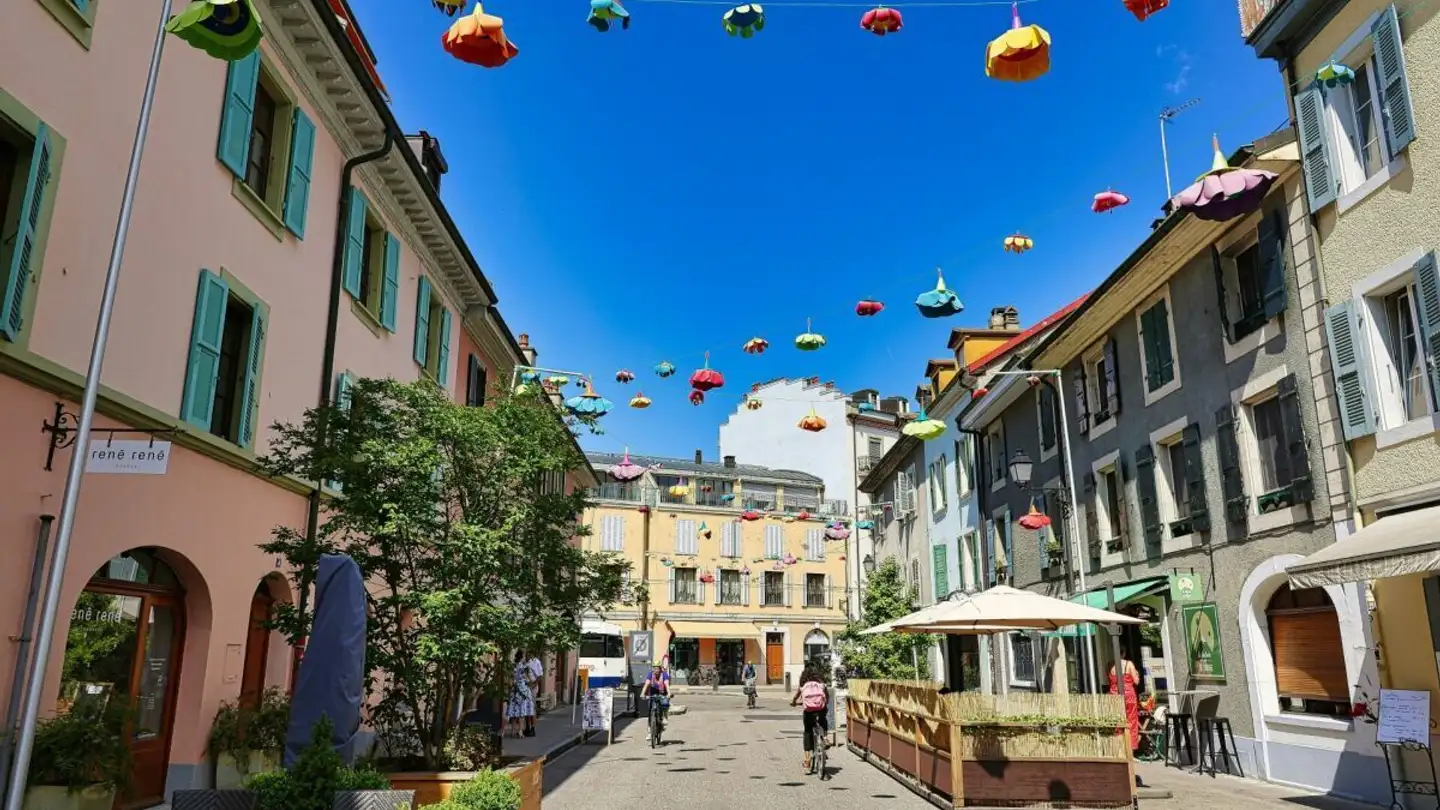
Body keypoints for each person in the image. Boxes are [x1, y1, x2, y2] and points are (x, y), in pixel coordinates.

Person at [790, 665, 828, 771]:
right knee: (823, 720)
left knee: (807, 732)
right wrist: (824, 704)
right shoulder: (821, 684)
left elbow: (795, 697)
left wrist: (793, 703)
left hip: (809, 712)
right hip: (820, 710)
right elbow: (827, 697)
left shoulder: (803, 685)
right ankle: (825, 738)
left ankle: (807, 760)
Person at [1109, 648, 1142, 758]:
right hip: (1128, 695)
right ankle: (1130, 748)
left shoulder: (1109, 665)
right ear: (1124, 653)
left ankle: (1119, 747)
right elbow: (1136, 681)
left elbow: (1110, 680)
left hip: (1114, 695)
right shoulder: (1129, 664)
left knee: (1117, 721)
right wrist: (1137, 675)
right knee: (1131, 721)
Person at [640, 662, 671, 733]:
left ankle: (665, 718)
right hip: (653, 693)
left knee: (665, 704)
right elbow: (647, 684)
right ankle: (649, 728)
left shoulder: (664, 674)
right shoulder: (650, 674)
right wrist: (642, 693)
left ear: (660, 669)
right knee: (650, 710)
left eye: (657, 668)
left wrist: (669, 693)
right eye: (654, 668)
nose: (656, 670)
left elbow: (666, 684)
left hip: (662, 693)